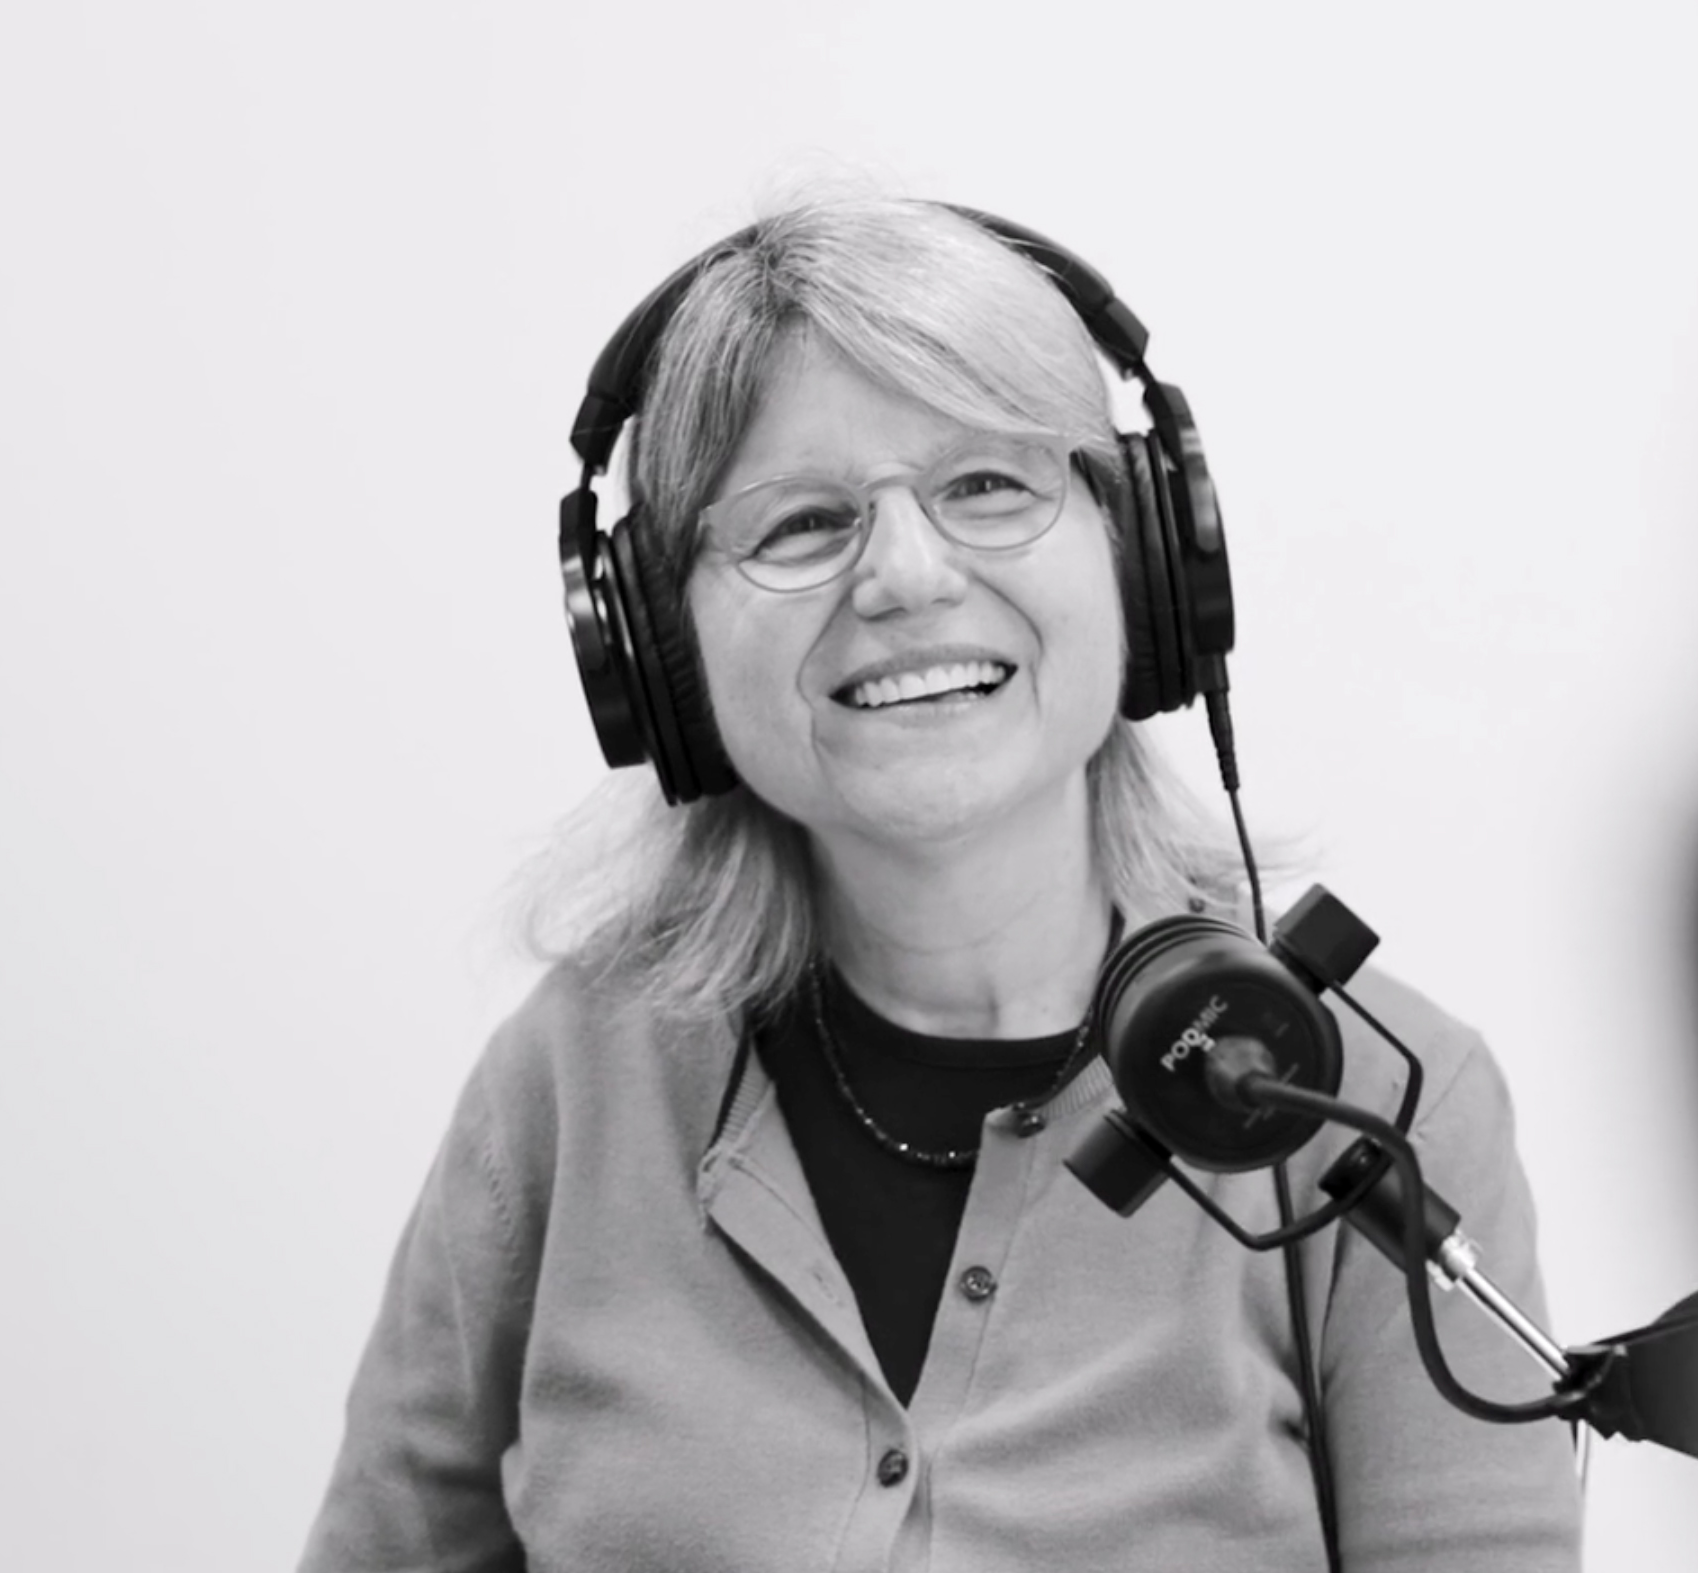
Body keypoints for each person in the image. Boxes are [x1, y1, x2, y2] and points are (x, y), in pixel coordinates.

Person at [301, 192, 1581, 1571]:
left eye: (989, 485)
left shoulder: (1370, 1102)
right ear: (659, 653)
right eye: (800, 523)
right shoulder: (566, 1090)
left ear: (1144, 561)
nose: (906, 576)